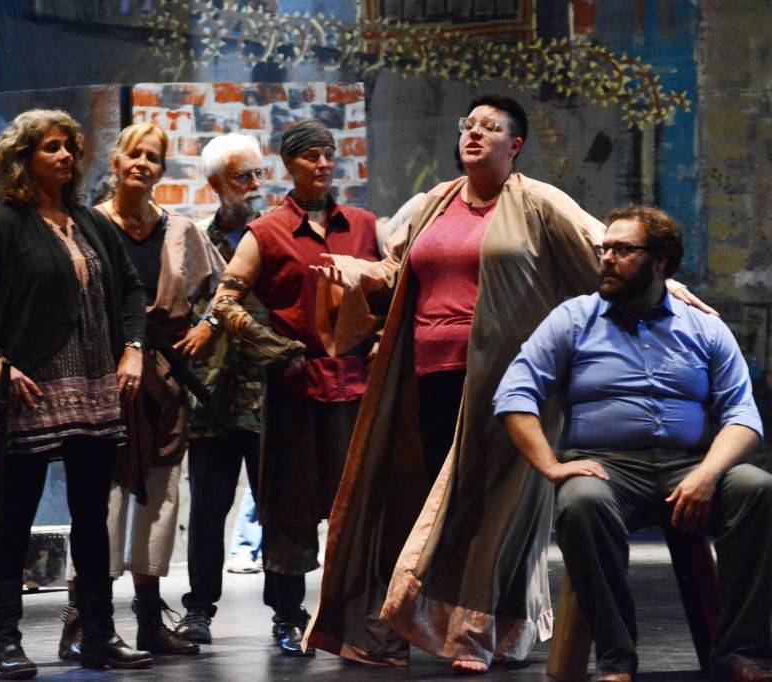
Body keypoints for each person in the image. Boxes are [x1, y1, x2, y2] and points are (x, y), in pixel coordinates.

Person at [306, 95, 714, 671]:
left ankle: (482, 635)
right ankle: (406, 624)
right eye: (468, 124)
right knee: (430, 507)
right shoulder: (432, 203)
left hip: (508, 381)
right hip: (428, 376)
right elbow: (398, 267)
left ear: (514, 145)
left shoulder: (538, 202)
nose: (474, 133)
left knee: (495, 511)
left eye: (490, 127)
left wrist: (675, 293)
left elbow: (608, 250)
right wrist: (356, 273)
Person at [495, 205, 771, 682]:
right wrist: (553, 467)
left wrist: (706, 475)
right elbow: (514, 394)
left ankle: (742, 653)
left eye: (623, 250)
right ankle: (616, 661)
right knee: (582, 501)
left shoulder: (702, 325)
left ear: (661, 260)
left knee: (757, 489)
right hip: (606, 467)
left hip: (687, 466)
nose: (607, 258)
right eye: (605, 248)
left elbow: (743, 413)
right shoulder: (574, 319)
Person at [0, 109, 152, 677]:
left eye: (69, 148)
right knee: (15, 516)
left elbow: (131, 289)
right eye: (52, 147)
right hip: (32, 388)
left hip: (93, 385)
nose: (65, 156)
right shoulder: (6, 223)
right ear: (24, 158)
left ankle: (98, 633)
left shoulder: (89, 220)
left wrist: (133, 348)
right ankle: (4, 639)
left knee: (90, 514)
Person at [208, 118, 379, 656]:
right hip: (295, 391)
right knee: (290, 510)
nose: (322, 164)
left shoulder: (364, 225)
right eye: (310, 156)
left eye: (328, 155)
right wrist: (274, 352)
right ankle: (288, 614)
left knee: (360, 509)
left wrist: (380, 342)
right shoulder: (269, 232)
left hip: (356, 389)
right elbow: (225, 302)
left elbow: (393, 289)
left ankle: (358, 613)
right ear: (289, 164)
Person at [97, 122, 223, 657]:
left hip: (164, 380)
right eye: (134, 154)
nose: (142, 164)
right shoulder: (90, 226)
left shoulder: (180, 230)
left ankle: (149, 619)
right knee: (102, 497)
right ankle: (86, 619)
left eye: (153, 156)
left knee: (162, 497)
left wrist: (207, 327)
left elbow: (227, 285)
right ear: (116, 161)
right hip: (104, 375)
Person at [172, 133, 271, 644]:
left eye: (259, 173)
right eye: (243, 176)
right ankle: (199, 610)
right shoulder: (194, 242)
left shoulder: (273, 237)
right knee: (208, 509)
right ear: (215, 184)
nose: (255, 185)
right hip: (210, 396)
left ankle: (288, 612)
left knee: (275, 507)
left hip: (267, 397)